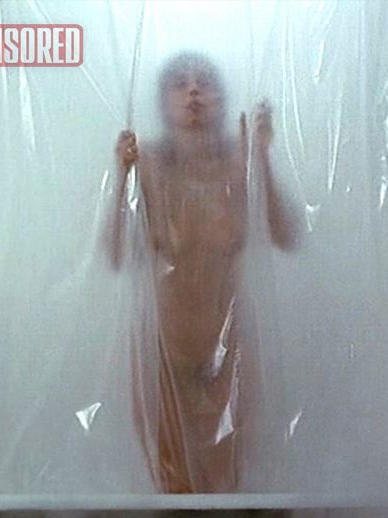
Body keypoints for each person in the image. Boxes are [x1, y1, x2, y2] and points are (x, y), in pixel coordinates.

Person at [107, 52, 300, 493]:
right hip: (164, 351)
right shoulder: (146, 162)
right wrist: (120, 177)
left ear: (222, 98)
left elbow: (286, 236)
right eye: (180, 82)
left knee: (226, 484)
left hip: (231, 352)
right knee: (172, 486)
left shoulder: (240, 159)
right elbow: (115, 254)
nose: (193, 90)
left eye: (205, 81)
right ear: (163, 101)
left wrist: (262, 158)